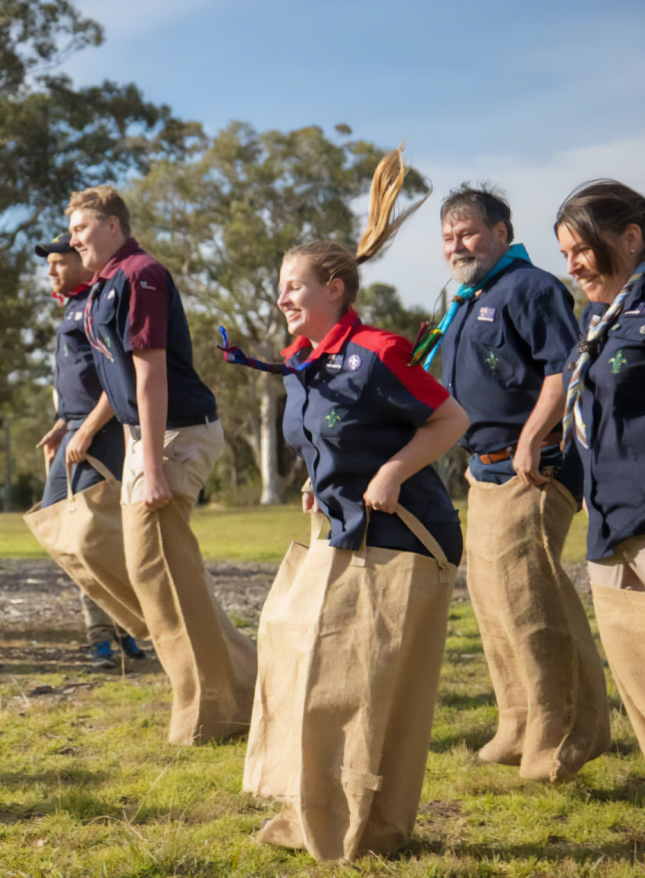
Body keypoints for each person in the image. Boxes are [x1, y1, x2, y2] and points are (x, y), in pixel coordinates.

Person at [234, 147, 468, 861]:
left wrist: (394, 470)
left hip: (402, 541)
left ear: (334, 288)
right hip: (340, 535)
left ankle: (365, 831)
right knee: (304, 670)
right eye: (280, 287)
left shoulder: (377, 351)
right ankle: (315, 816)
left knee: (359, 694)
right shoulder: (300, 362)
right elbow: (325, 437)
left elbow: (450, 420)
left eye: (293, 286)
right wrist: (320, 475)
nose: (282, 298)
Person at [67, 185, 257, 744]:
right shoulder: (103, 285)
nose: (74, 239)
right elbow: (118, 379)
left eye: (81, 228)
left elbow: (151, 376)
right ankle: (244, 686)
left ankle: (213, 710)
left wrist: (150, 464)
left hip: (174, 434)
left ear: (111, 226)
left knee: (163, 574)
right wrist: (105, 433)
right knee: (160, 574)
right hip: (143, 437)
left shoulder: (140, 274)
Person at [433, 184, 609, 780]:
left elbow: (565, 372)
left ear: (502, 233)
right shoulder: (466, 296)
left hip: (532, 468)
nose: (458, 245)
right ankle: (517, 723)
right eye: (449, 237)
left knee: (531, 604)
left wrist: (533, 437)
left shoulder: (531, 288)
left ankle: (563, 737)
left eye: (469, 233)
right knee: (492, 604)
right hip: (484, 473)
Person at [556, 180, 645, 753]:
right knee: (636, 681)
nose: (572, 265)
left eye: (581, 250)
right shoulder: (597, 317)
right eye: (565, 255)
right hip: (609, 523)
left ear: (632, 237)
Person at [32, 231, 145, 669]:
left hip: (102, 431)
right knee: (72, 533)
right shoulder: (74, 306)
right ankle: (119, 626)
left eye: (58, 261)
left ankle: (113, 630)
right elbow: (83, 380)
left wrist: (87, 430)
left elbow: (119, 378)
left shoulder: (101, 303)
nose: (51, 270)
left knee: (85, 536)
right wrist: (63, 425)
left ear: (81, 259)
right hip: (76, 429)